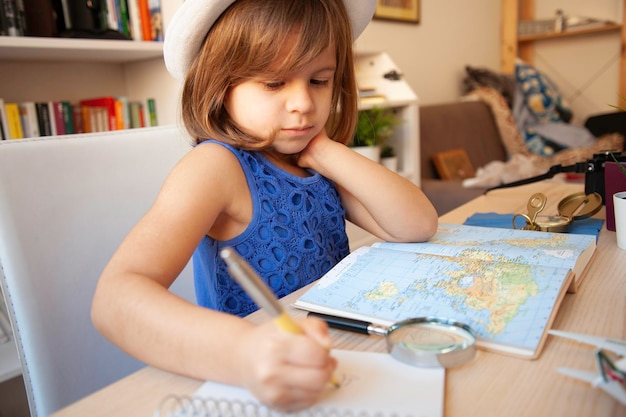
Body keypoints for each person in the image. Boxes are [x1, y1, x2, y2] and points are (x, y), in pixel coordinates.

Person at [91, 0, 438, 412]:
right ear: (219, 87)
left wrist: (327, 153)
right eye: (274, 84)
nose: (303, 104)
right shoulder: (215, 167)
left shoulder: (313, 162)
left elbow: (417, 224)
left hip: (332, 360)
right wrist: (244, 353)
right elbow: (114, 299)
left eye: (319, 80)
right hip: (255, 383)